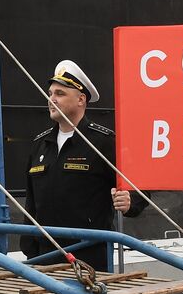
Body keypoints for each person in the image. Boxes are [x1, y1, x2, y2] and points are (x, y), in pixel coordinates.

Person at [22, 59, 145, 269]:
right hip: (45, 256)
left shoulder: (103, 142)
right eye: (50, 93)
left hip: (89, 256)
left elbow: (140, 187)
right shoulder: (40, 145)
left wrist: (129, 202)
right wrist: (30, 249)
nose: (52, 99)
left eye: (60, 94)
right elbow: (31, 203)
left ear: (81, 99)